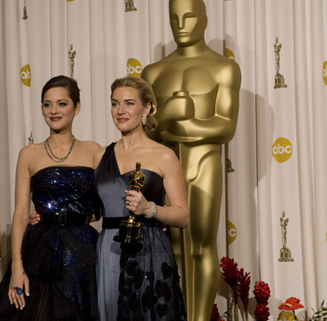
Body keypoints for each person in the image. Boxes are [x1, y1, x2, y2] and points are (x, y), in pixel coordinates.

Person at [140, 0, 242, 320]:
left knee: (201, 242)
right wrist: (168, 115)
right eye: (174, 18)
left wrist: (179, 121)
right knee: (174, 246)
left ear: (204, 19)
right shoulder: (153, 72)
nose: (181, 24)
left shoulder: (223, 68)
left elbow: (225, 126)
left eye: (188, 17)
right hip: (166, 166)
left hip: (205, 161)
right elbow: (148, 132)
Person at [0, 75, 102, 321]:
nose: (54, 110)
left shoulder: (95, 151)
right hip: (41, 253)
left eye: (62, 103)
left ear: (77, 107)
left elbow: (103, 206)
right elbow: (21, 212)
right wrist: (16, 268)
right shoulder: (29, 154)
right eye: (47, 104)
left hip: (84, 253)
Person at [94, 76, 189, 321]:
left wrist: (150, 209)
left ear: (147, 108)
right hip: (108, 250)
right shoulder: (101, 156)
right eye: (115, 104)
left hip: (148, 250)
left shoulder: (164, 155)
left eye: (129, 103)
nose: (120, 111)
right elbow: (95, 210)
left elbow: (182, 215)